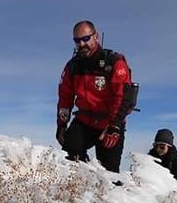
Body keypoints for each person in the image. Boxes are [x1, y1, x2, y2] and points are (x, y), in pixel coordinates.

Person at [56, 20, 136, 173]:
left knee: (109, 173)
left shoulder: (114, 62)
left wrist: (115, 127)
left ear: (96, 37)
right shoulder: (72, 66)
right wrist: (61, 124)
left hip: (109, 123)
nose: (82, 44)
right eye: (77, 40)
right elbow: (65, 97)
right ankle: (80, 187)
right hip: (84, 121)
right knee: (69, 155)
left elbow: (122, 96)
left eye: (86, 38)